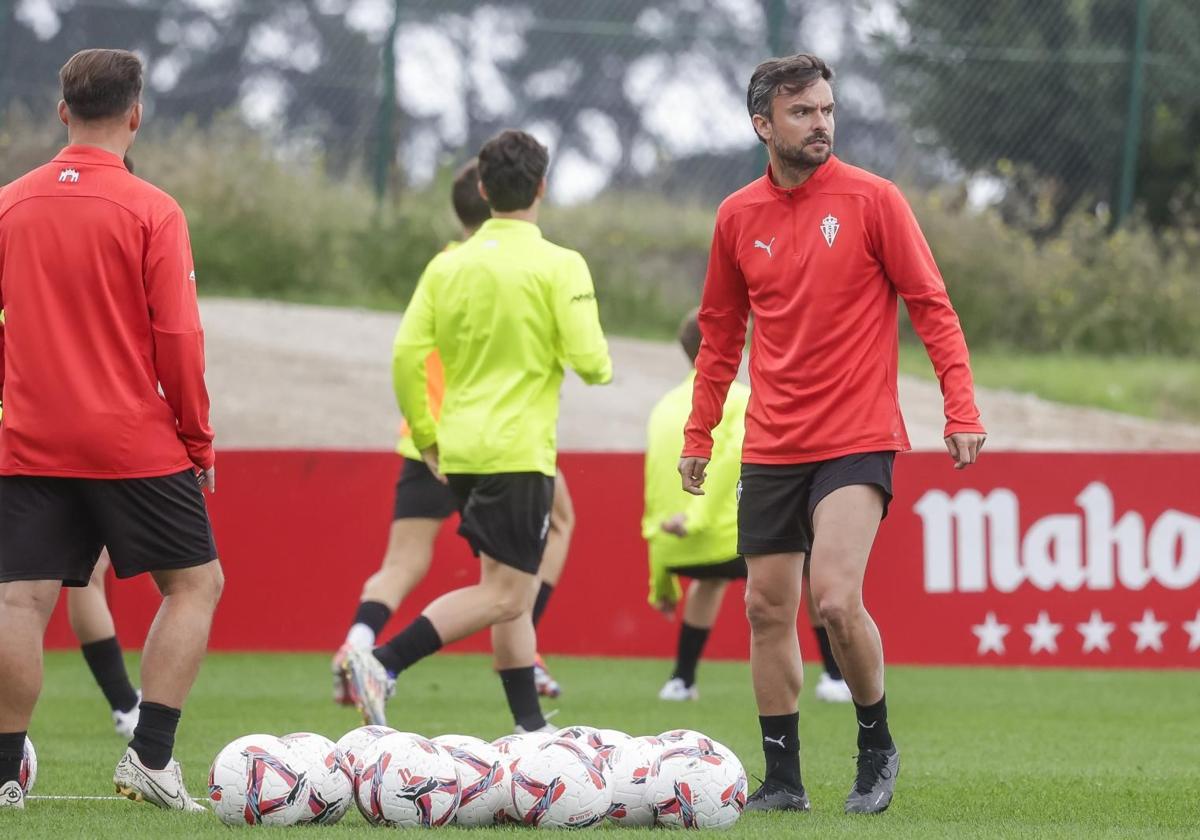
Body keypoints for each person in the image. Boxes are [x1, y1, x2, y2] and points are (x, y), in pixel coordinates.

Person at [679, 54, 986, 815]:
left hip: (856, 434)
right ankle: (783, 780)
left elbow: (932, 306)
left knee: (837, 600)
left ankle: (876, 745)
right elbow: (719, 334)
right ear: (763, 126)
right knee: (764, 608)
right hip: (772, 442)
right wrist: (699, 433)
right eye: (801, 113)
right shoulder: (736, 217)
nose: (820, 123)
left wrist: (961, 408)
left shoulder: (873, 199)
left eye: (826, 110)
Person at [0, 49, 221, 812]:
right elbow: (180, 339)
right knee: (194, 585)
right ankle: (151, 758)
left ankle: (2, 777)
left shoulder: (8, 205)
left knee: (18, 603)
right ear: (135, 114)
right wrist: (197, 439)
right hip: (132, 440)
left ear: (62, 111)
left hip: (29, 437)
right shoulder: (153, 210)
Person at [344, 130, 611, 733]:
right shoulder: (560, 264)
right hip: (518, 452)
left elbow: (407, 356)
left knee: (504, 583)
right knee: (508, 596)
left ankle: (530, 728)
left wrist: (428, 436)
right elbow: (593, 363)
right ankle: (383, 662)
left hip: (458, 451)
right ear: (543, 187)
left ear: (484, 189)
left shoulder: (448, 265)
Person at [647, 310, 854, 704]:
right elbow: (727, 466)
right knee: (808, 567)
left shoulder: (663, 407)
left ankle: (681, 679)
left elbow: (654, 493)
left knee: (710, 581)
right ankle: (833, 676)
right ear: (732, 346)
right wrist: (695, 520)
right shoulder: (741, 399)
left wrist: (659, 576)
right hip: (726, 537)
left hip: (679, 549)